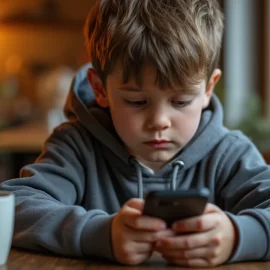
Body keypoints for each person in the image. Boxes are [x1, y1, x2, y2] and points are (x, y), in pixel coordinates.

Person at [1, 0, 270, 267]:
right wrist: (99, 233)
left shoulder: (230, 154)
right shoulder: (76, 147)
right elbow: (14, 208)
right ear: (100, 89)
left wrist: (237, 236)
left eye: (180, 102)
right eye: (137, 101)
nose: (159, 122)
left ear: (208, 89)